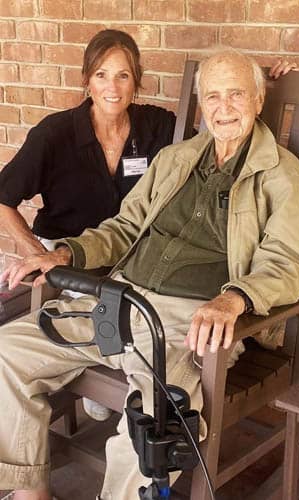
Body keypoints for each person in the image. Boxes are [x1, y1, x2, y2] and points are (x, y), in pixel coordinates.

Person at [0, 46, 299, 500]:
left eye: (236, 94)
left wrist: (234, 299)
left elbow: (289, 263)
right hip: (120, 299)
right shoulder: (176, 158)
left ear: (258, 101)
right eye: (213, 97)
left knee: (157, 417)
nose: (223, 108)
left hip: (189, 320)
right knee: (8, 350)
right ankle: (29, 492)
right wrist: (67, 254)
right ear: (201, 105)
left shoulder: (280, 173)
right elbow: (125, 227)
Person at [0, 28, 176, 421]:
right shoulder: (55, 134)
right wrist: (37, 253)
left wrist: (261, 82)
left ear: (136, 81)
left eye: (123, 75)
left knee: (147, 312)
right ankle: (96, 375)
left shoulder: (157, 127)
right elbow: (3, 199)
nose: (112, 86)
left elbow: (218, 129)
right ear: (86, 80)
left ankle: (106, 377)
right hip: (68, 253)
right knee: (108, 318)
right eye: (101, 74)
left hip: (126, 253)